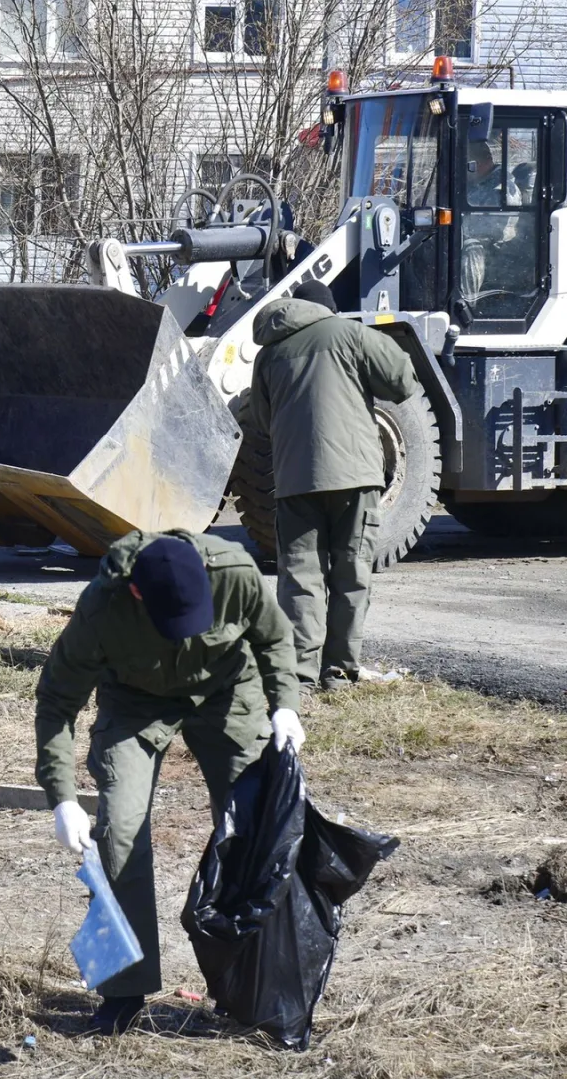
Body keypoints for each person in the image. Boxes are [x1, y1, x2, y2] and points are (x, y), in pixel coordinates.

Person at [34, 530, 304, 1035]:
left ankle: (247, 982)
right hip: (135, 703)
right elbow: (55, 702)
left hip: (227, 691)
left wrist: (284, 703)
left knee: (254, 824)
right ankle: (121, 991)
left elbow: (272, 636)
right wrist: (62, 798)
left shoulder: (235, 573)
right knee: (118, 837)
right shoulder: (101, 610)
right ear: (138, 594)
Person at [246, 280, 421, 690]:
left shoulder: (269, 353)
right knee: (350, 572)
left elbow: (260, 418)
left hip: (294, 480)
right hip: (354, 478)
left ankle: (300, 676)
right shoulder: (353, 334)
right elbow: (402, 382)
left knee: (300, 576)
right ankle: (339, 672)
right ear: (328, 308)